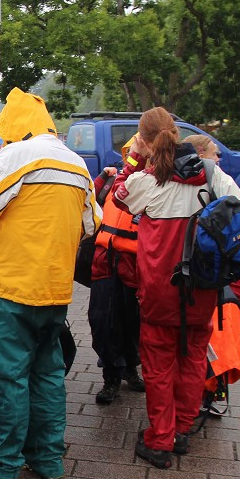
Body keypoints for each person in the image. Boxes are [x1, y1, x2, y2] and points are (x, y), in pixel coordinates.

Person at [0, 88, 101, 479]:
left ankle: (1, 469)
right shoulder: (77, 164)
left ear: (16, 127)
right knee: (47, 375)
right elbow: (92, 223)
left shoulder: (17, 156)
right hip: (54, 289)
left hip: (10, 288)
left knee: (6, 378)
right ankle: (47, 459)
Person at [112, 107, 240, 469]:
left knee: (158, 365)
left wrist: (135, 159)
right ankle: (182, 431)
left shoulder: (147, 179)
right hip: (202, 286)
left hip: (159, 286)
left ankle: (160, 439)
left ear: (144, 140)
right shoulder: (210, 172)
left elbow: (117, 196)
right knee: (191, 357)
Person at [90, 138, 145, 405]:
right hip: (104, 260)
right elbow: (89, 200)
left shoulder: (153, 183)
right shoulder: (113, 182)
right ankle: (111, 375)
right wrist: (102, 177)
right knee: (102, 320)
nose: (130, 158)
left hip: (134, 263)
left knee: (133, 321)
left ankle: (131, 367)